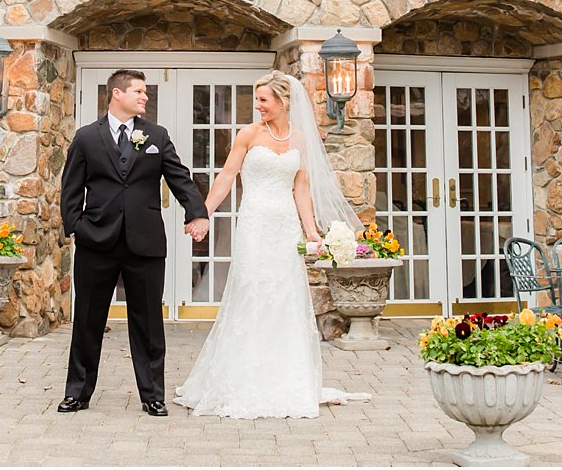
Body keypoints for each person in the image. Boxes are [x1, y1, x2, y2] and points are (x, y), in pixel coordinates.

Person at [174, 70, 369, 418]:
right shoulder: (248, 134)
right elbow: (226, 177)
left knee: (285, 297)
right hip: (254, 223)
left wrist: (310, 229)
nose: (258, 106)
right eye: (258, 99)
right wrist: (203, 213)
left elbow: (302, 187)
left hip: (284, 227)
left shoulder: (300, 140)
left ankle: (285, 379)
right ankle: (242, 378)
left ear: (283, 102)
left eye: (264, 100)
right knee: (252, 292)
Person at [58, 69, 209, 417]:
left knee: (148, 322)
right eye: (138, 91)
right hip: (97, 241)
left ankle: (153, 395)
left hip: (146, 243)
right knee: (87, 320)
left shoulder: (156, 135)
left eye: (145, 92)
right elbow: (70, 189)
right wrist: (77, 226)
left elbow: (179, 176)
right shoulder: (85, 138)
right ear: (117, 94)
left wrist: (196, 213)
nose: (144, 97)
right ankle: (77, 393)